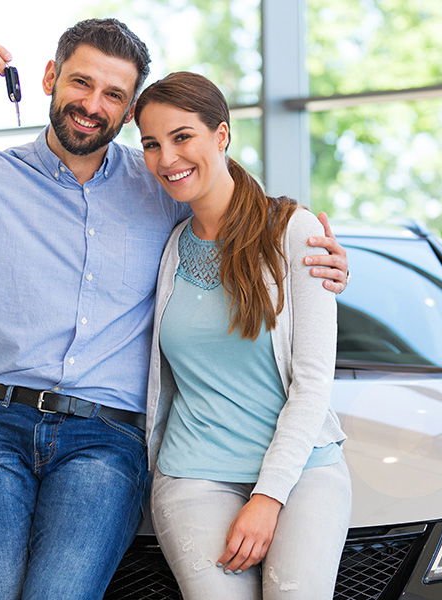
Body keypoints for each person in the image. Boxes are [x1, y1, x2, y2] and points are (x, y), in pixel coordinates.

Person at [0, 18, 349, 600]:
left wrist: (319, 259)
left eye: (114, 94)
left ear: (128, 107)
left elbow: (239, 229)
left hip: (106, 437)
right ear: (49, 78)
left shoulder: (160, 188)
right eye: (81, 83)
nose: (92, 105)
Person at [136, 71, 351, 600]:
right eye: (151, 144)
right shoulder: (165, 247)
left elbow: (312, 382)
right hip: (192, 474)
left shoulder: (293, 232)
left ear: (222, 136)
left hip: (302, 471)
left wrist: (268, 497)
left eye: (182, 137)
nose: (167, 158)